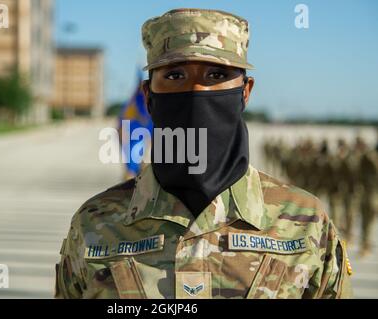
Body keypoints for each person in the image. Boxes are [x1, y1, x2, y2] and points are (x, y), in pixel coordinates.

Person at [55, 8, 352, 299]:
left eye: (217, 74)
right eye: (175, 76)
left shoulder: (306, 223)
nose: (196, 89)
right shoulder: (95, 223)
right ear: (148, 96)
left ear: (245, 91)